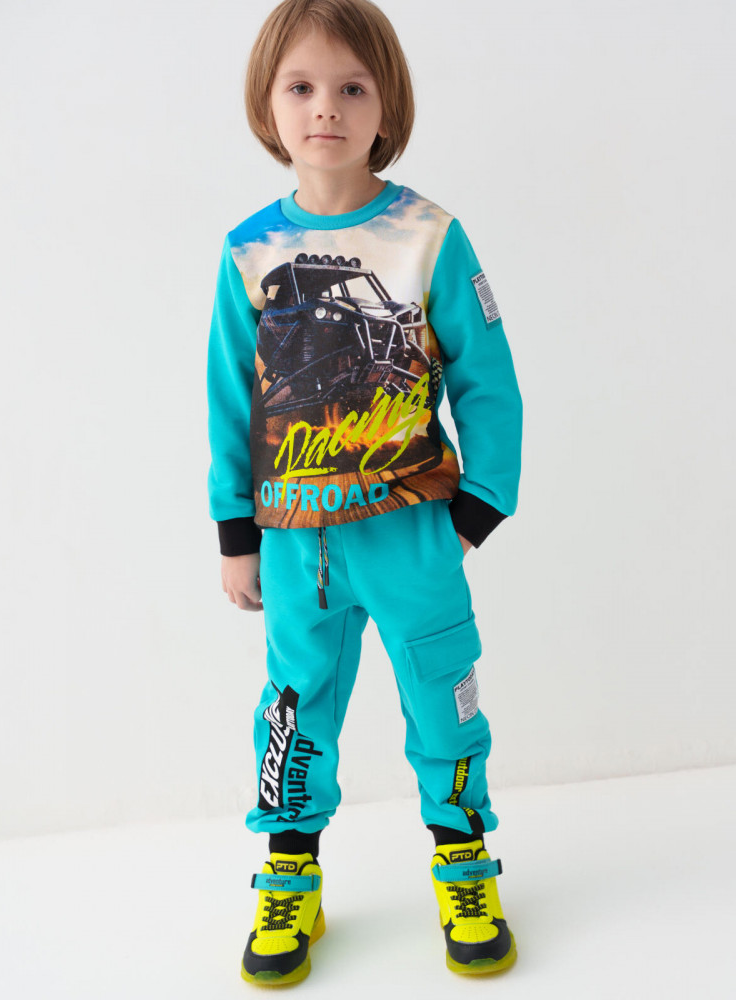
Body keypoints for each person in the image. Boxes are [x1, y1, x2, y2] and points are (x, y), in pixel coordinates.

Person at [206, 0, 523, 986]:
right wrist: (235, 533)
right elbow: (230, 397)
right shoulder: (249, 250)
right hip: (296, 542)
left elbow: (488, 378)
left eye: (351, 87)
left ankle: (464, 859)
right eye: (301, 86)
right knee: (294, 709)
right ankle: (288, 872)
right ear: (268, 104)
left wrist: (479, 505)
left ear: (387, 105)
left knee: (443, 697)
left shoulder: (431, 235)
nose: (326, 108)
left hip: (413, 531)